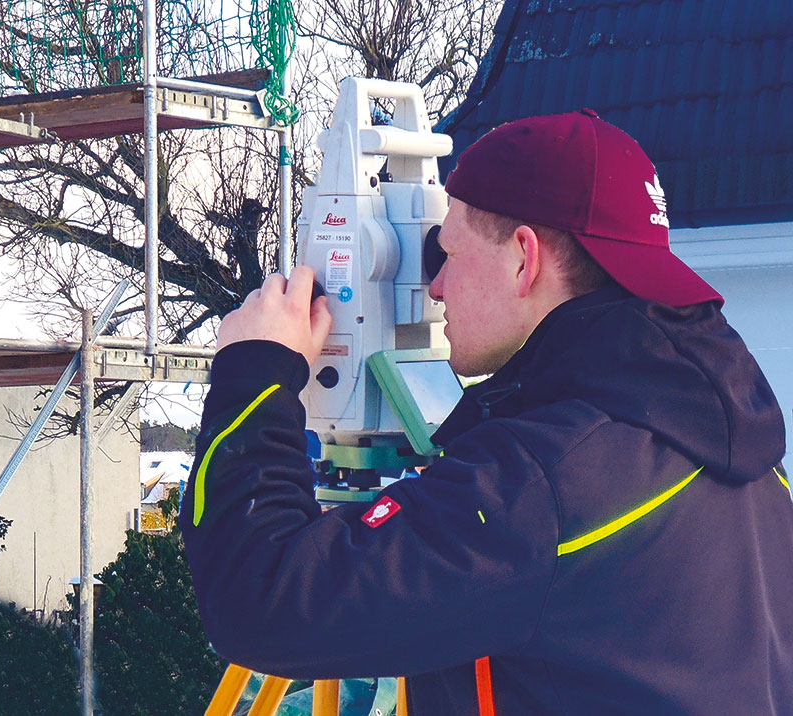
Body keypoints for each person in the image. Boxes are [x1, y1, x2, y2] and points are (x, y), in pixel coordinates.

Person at [180, 110, 793, 715]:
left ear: (524, 258)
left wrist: (256, 374)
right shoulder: (752, 467)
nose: (437, 287)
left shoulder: (543, 481)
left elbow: (262, 598)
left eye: (446, 254)